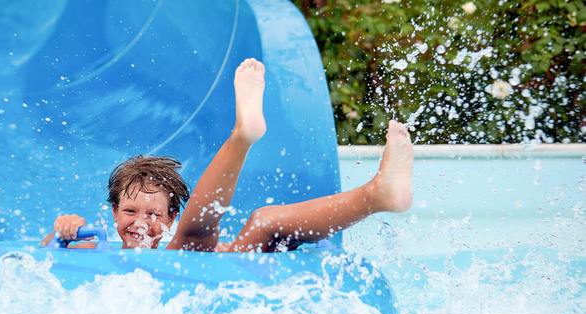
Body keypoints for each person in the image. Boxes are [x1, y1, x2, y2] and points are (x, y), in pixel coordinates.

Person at [40, 58, 413, 252]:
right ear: (113, 212)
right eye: (130, 211)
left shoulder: (178, 242)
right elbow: (42, 258)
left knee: (247, 225)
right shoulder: (95, 246)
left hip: (194, 260)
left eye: (154, 214)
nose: (140, 222)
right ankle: (376, 194)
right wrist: (63, 231)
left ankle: (376, 194)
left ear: (171, 217)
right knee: (228, 229)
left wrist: (225, 249)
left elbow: (207, 244)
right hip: (190, 256)